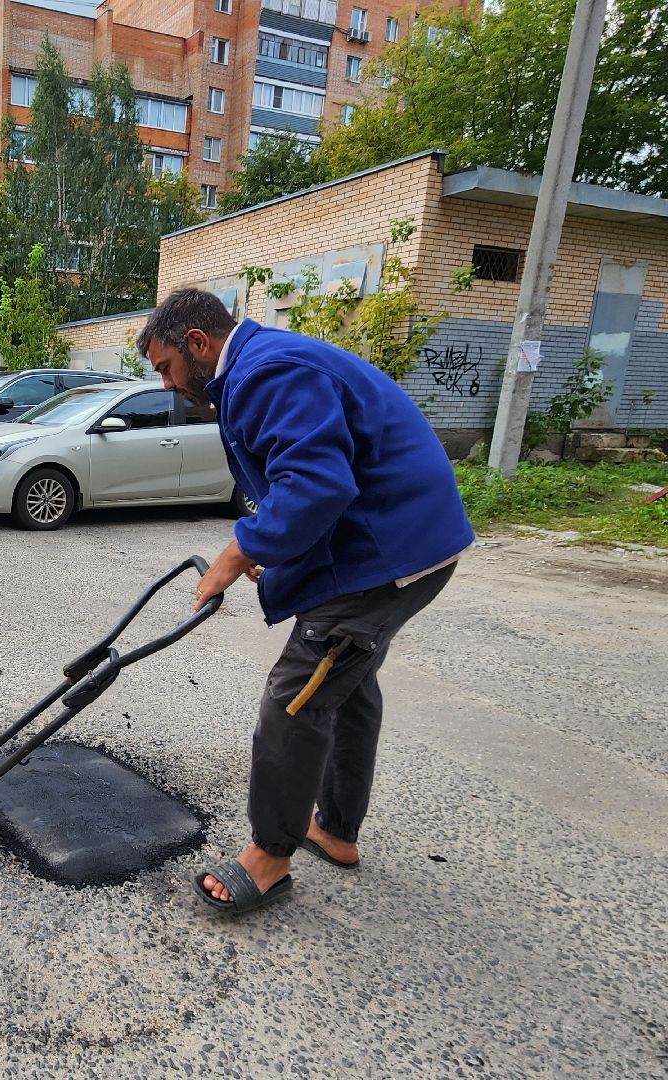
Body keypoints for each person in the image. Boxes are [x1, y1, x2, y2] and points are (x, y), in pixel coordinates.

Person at [136, 289, 474, 914]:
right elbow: (312, 482)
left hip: (388, 554)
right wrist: (278, 546)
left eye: (165, 367)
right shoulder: (260, 367)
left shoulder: (267, 372)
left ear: (198, 343)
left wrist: (240, 552)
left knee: (297, 696)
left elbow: (317, 483)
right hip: (401, 538)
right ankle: (337, 831)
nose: (167, 383)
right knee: (346, 684)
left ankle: (269, 856)